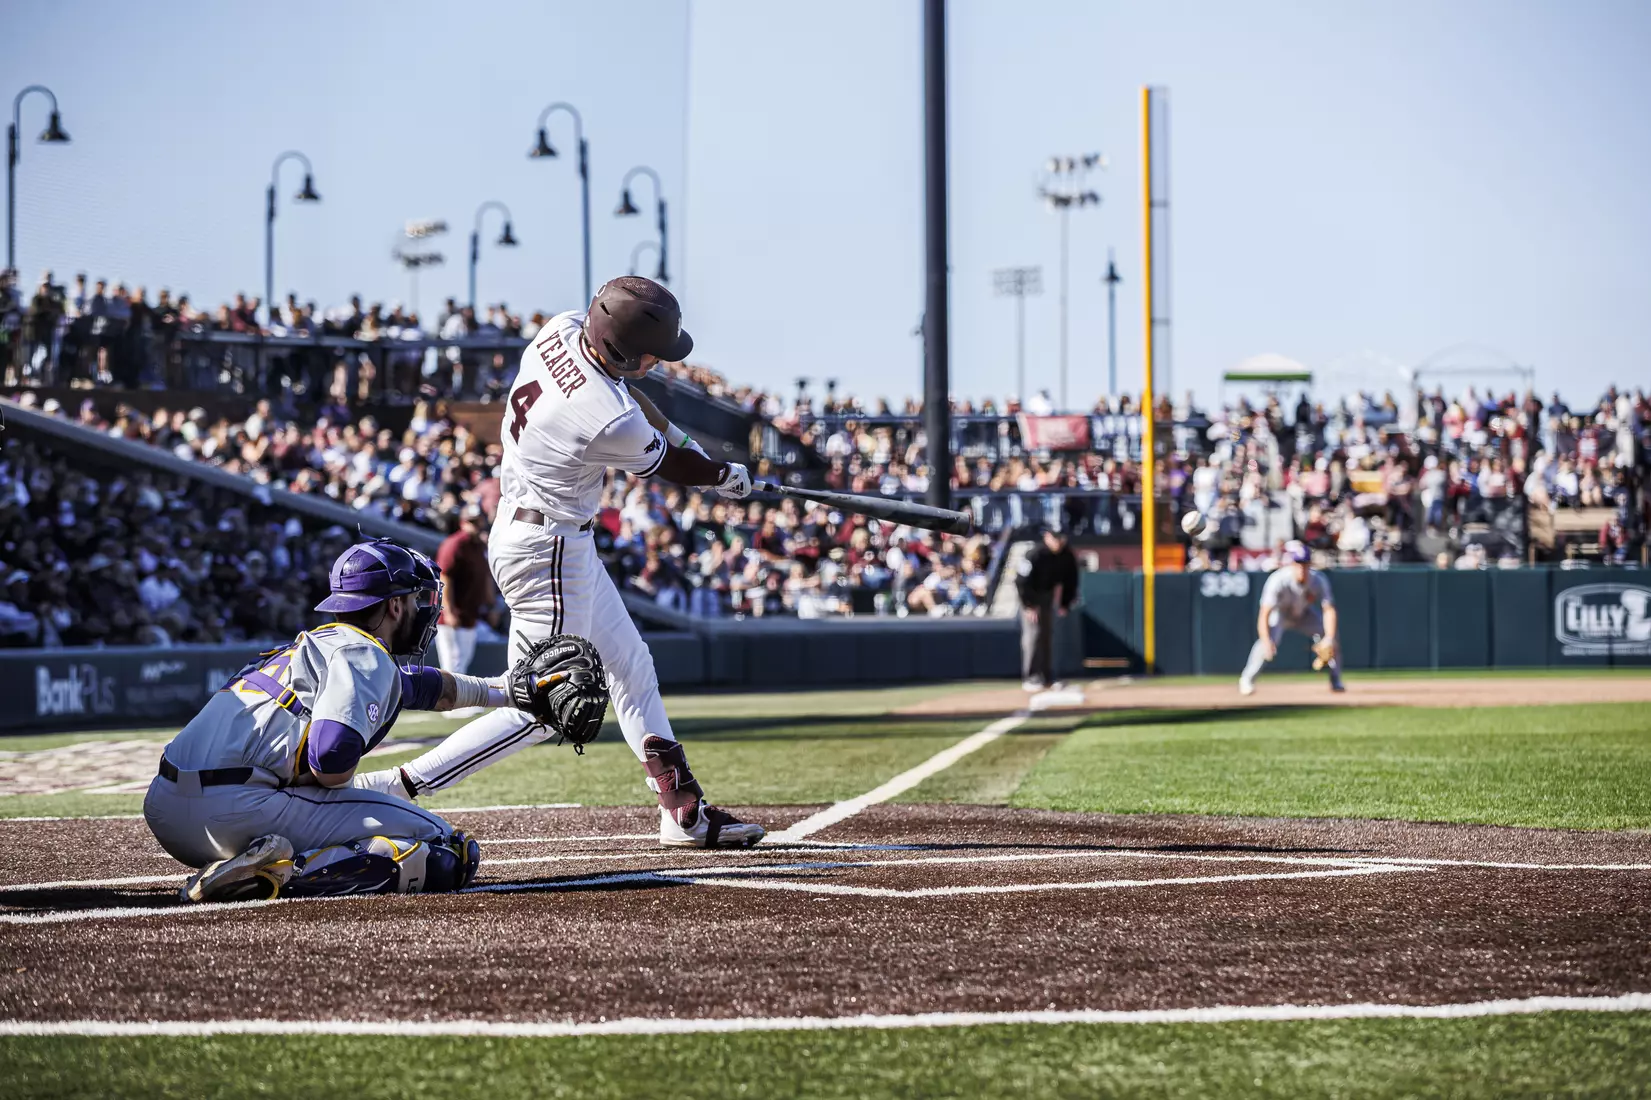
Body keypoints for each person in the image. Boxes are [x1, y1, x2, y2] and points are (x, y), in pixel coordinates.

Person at [389, 276, 766, 848]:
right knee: (539, 708)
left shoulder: (562, 328)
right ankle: (394, 786)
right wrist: (721, 476)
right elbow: (665, 461)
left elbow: (639, 404)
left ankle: (681, 809)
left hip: (549, 534)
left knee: (630, 664)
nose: (657, 363)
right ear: (627, 349)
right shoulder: (605, 417)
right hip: (549, 549)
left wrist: (698, 452)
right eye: (653, 353)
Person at [144, 539, 523, 903]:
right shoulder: (364, 652)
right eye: (412, 599)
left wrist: (510, 690)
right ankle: (276, 874)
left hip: (166, 807)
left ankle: (255, 863)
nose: (420, 609)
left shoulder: (313, 646)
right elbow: (330, 760)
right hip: (234, 810)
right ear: (393, 606)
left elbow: (424, 688)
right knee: (448, 851)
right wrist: (382, 786)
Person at [1239, 540, 1344, 695]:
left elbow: (1329, 610)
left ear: (1310, 564)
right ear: (1292, 564)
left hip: (1304, 614)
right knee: (1264, 643)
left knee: (1332, 639)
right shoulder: (1278, 580)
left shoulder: (1318, 580)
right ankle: (1247, 680)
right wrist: (1267, 640)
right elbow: (1264, 614)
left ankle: (1336, 680)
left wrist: (1328, 638)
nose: (1302, 567)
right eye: (1298, 563)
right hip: (1280, 614)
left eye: (1305, 563)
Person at [434, 504, 492, 716]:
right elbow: (444, 578)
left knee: (463, 658)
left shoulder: (479, 546)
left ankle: (457, 700)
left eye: (479, 521)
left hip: (469, 612)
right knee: (452, 660)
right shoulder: (454, 544)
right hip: (452, 614)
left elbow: (484, 576)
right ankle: (449, 705)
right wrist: (447, 610)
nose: (477, 526)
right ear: (463, 522)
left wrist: (490, 603)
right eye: (473, 522)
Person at [1015, 526, 1078, 692]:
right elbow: (1021, 581)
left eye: (1061, 538)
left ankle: (1047, 676)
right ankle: (1031, 677)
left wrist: (1065, 603)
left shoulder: (1066, 555)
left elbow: (1071, 580)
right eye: (1056, 538)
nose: (1059, 542)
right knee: (1033, 634)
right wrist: (1028, 605)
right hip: (1030, 595)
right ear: (1047, 537)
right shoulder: (1034, 554)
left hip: (1047, 596)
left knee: (1047, 635)